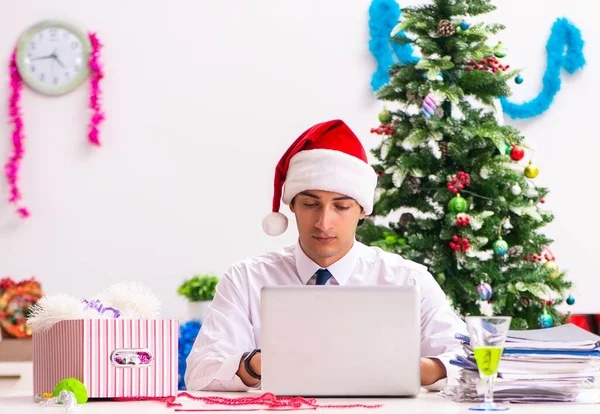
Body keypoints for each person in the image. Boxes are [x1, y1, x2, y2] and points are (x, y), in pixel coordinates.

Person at [185, 119, 467, 392]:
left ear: (363, 211)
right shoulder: (246, 279)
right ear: (292, 205)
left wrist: (404, 368)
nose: (323, 223)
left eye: (341, 207)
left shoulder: (408, 279)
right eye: (310, 204)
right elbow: (200, 373)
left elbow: (468, 364)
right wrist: (258, 363)